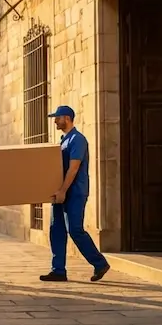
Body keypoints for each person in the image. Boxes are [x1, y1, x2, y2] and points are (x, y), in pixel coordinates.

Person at [41, 105, 110, 282]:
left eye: (57, 117)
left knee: (75, 230)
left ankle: (100, 263)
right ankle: (58, 270)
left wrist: (63, 190)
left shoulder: (77, 140)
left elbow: (74, 167)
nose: (55, 121)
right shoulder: (63, 140)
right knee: (56, 230)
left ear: (67, 118)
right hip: (60, 192)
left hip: (75, 192)